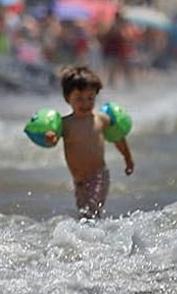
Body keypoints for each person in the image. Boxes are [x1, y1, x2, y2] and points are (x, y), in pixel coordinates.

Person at [38, 65, 134, 220]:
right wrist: (50, 137)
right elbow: (53, 140)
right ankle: (100, 232)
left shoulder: (100, 119)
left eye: (90, 98)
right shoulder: (65, 124)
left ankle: (99, 230)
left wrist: (127, 158)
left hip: (98, 175)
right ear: (67, 98)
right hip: (79, 180)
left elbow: (118, 137)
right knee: (85, 214)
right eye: (79, 99)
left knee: (91, 210)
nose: (86, 103)